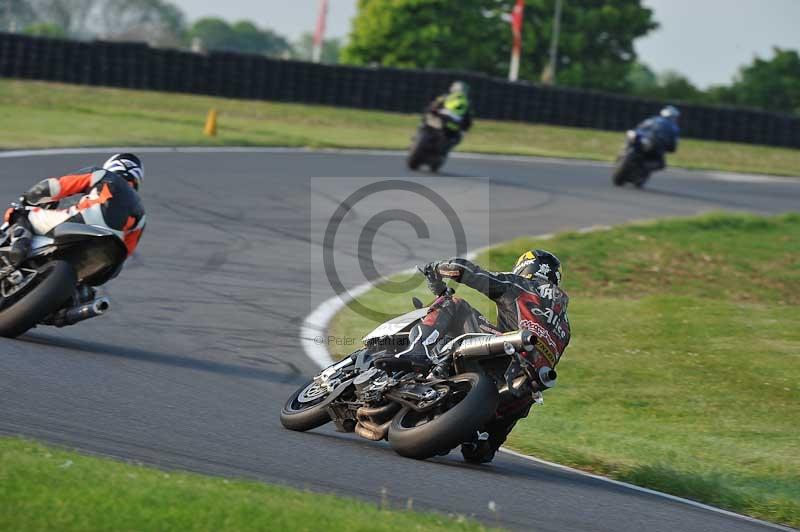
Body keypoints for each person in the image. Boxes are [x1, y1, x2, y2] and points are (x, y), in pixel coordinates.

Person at [378, 250, 571, 463]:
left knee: (455, 303)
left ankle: (417, 351)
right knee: (480, 453)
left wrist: (438, 267)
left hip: (504, 353)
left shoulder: (521, 286)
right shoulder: (565, 325)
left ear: (527, 268)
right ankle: (482, 438)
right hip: (525, 386)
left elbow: (469, 272)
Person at [1, 153, 146, 275]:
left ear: (111, 166)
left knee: (21, 214)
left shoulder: (103, 175)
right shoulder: (141, 213)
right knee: (85, 288)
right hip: (111, 250)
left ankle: (19, 247)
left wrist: (28, 198)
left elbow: (56, 187)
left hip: (83, 222)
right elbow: (127, 251)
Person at [425, 81, 473, 149]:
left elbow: (468, 122)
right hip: (443, 120)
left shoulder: (464, 103)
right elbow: (434, 106)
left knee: (456, 137)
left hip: (450, 125)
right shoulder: (448, 97)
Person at [633, 105, 680, 171]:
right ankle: (641, 168)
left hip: (650, 144)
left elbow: (640, 127)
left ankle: (641, 169)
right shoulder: (674, 127)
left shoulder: (654, 119)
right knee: (661, 164)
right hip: (650, 143)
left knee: (661, 163)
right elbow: (673, 144)